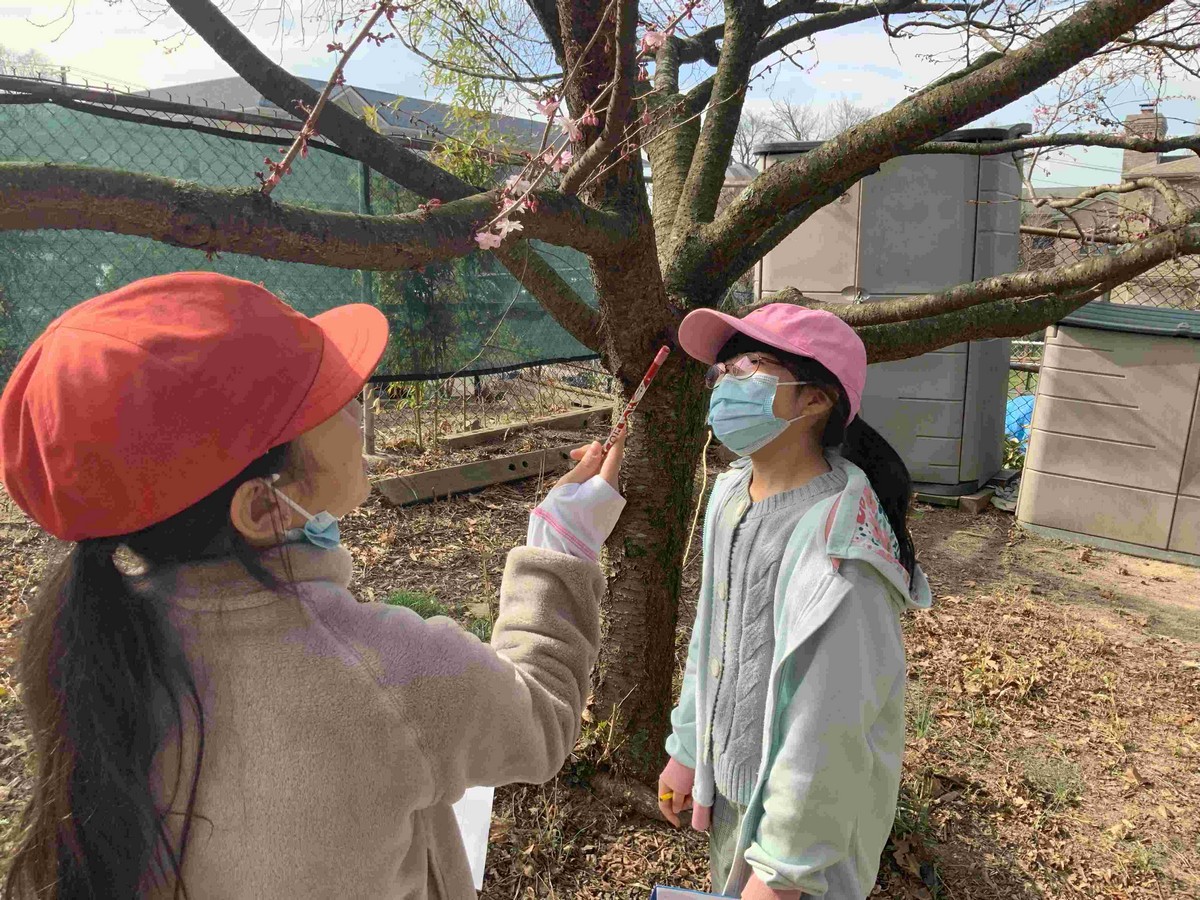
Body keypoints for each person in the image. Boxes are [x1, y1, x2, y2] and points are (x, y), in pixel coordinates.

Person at [0, 272, 626, 900]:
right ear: (265, 509)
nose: (356, 401)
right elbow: (539, 722)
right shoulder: (389, 672)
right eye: (327, 403)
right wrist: (561, 543)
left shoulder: (99, 656)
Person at [656, 304, 932, 900]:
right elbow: (714, 634)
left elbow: (828, 729)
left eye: (750, 368)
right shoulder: (732, 493)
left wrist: (781, 873)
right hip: (735, 795)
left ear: (815, 400)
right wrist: (686, 749)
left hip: (803, 844)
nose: (726, 384)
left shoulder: (843, 552)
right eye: (722, 370)